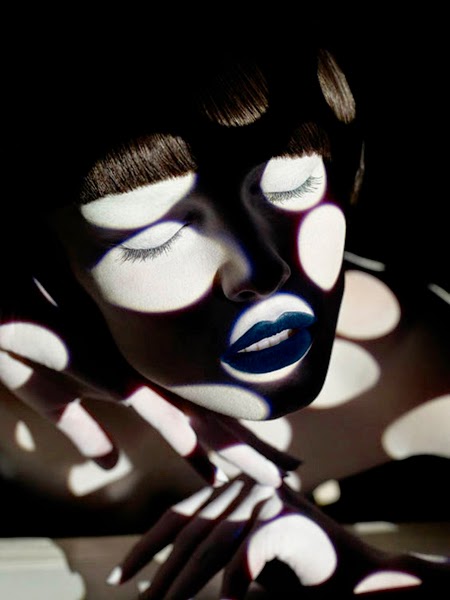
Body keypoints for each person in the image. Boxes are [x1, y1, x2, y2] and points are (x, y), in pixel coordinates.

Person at [2, 35, 449, 597]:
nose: (261, 270)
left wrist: (357, 574)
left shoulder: (404, 356)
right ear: (51, 270)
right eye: (152, 237)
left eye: (293, 185)